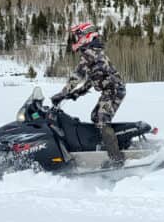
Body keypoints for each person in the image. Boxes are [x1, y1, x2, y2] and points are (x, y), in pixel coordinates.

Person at [51, 22, 127, 166]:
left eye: (78, 36)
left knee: (101, 119)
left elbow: (77, 76)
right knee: (95, 116)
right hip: (110, 90)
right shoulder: (93, 51)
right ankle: (106, 144)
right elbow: (91, 79)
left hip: (114, 90)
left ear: (87, 36)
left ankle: (116, 158)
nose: (76, 39)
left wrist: (62, 93)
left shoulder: (90, 53)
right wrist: (76, 94)